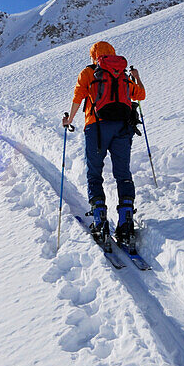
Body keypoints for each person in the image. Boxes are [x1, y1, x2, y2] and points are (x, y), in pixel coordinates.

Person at [62, 41, 145, 245]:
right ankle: (126, 221)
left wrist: (69, 120)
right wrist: (137, 77)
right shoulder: (123, 74)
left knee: (94, 172)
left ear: (94, 56)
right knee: (123, 174)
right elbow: (140, 95)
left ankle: (100, 220)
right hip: (123, 128)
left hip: (96, 127)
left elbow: (78, 97)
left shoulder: (88, 73)